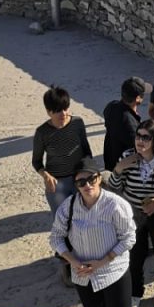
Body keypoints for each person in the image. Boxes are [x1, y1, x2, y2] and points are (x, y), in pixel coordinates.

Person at [49, 158, 154, 307]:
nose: (87, 185)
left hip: (113, 271)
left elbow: (129, 237)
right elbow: (56, 237)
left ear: (99, 178)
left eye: (91, 179)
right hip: (82, 274)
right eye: (81, 182)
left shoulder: (115, 204)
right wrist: (72, 261)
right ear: (76, 184)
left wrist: (102, 262)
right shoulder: (68, 207)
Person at [107, 119, 154, 307]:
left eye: (146, 137)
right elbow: (113, 188)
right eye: (138, 135)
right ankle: (136, 292)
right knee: (135, 256)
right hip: (133, 215)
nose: (140, 141)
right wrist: (120, 168)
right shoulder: (127, 156)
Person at [33, 85, 92, 217]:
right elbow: (36, 162)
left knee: (85, 217)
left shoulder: (78, 123)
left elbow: (86, 151)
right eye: (58, 110)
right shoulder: (42, 133)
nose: (64, 114)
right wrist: (45, 175)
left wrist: (88, 173)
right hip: (57, 184)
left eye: (66, 108)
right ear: (49, 112)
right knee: (62, 220)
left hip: (79, 179)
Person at [102, 77, 151, 172]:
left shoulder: (111, 106)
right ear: (137, 98)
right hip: (123, 171)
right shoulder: (129, 123)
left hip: (110, 161)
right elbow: (140, 148)